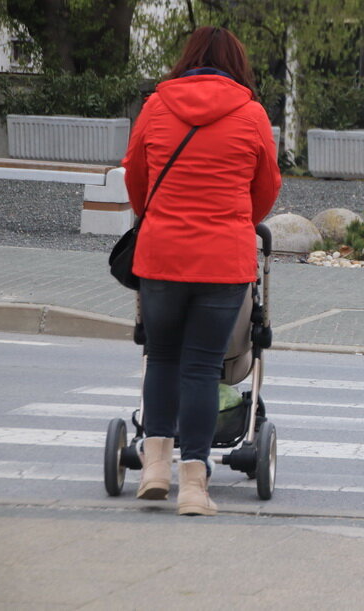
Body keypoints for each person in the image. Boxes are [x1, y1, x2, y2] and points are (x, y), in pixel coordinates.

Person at [122, 26, 281, 516]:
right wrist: (237, 220)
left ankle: (153, 469)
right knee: (199, 367)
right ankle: (193, 486)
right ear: (237, 63)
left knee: (161, 357)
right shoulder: (251, 113)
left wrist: (159, 215)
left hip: (162, 255)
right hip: (222, 259)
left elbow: (135, 175)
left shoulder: (156, 105)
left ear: (187, 58)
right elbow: (267, 185)